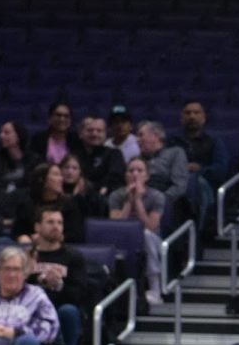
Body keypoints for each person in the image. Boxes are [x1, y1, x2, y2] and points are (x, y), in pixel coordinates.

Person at [27, 205, 88, 345]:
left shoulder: (73, 257)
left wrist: (58, 285)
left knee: (69, 311)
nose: (56, 226)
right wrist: (37, 278)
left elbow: (79, 294)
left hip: (60, 306)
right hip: (29, 309)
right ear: (37, 227)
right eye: (50, 222)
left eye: (59, 222)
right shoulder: (26, 256)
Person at [108, 157, 166, 305]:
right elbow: (116, 226)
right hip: (123, 239)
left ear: (147, 176)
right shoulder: (116, 196)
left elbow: (151, 226)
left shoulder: (157, 196)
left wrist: (138, 200)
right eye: (131, 170)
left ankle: (155, 288)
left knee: (146, 235)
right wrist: (129, 200)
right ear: (125, 175)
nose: (135, 174)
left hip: (152, 241)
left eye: (139, 170)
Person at [171, 100, 230, 238]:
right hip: (176, 183)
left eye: (196, 113)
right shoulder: (172, 141)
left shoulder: (214, 142)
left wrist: (200, 169)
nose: (192, 116)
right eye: (188, 113)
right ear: (181, 117)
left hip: (204, 186)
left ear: (203, 118)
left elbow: (221, 170)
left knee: (198, 184)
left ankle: (197, 234)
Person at [11, 163, 84, 245]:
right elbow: (17, 232)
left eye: (60, 175)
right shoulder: (27, 204)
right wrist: (26, 238)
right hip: (32, 247)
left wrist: (50, 238)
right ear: (42, 180)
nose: (61, 179)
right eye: (56, 174)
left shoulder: (70, 203)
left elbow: (75, 235)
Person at [0, 120, 35, 230]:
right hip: (1, 210)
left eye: (6, 132)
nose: (1, 135)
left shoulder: (34, 160)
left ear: (18, 136)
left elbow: (33, 190)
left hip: (25, 212)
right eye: (1, 132)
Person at [136, 121, 189, 212]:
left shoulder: (175, 153)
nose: (137, 140)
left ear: (155, 136)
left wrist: (160, 200)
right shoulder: (136, 160)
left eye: (141, 135)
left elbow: (179, 186)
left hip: (165, 199)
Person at [76, 115, 125, 197]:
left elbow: (114, 179)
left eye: (99, 131)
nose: (94, 134)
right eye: (90, 130)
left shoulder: (114, 154)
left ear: (105, 134)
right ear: (80, 134)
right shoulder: (74, 156)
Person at [28, 101, 81, 166]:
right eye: (58, 115)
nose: (62, 119)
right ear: (50, 118)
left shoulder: (76, 140)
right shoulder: (39, 139)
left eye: (66, 116)